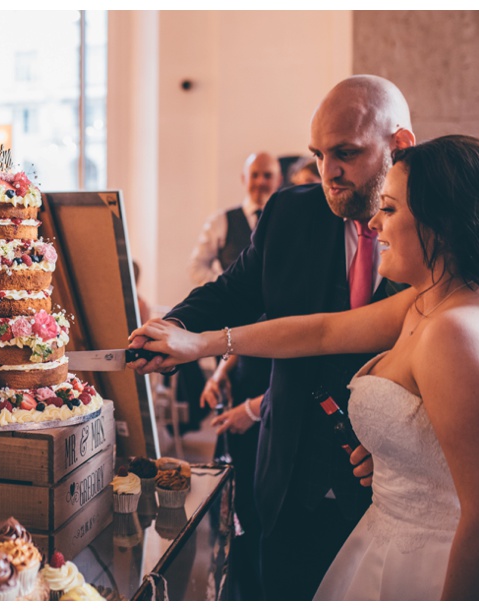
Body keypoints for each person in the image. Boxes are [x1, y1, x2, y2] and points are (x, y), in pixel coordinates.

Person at [132, 134, 479, 600]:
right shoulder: (431, 300)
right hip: (392, 541)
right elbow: (323, 331)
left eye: (389, 209)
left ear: (438, 223)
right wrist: (199, 341)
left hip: (436, 566)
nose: (374, 222)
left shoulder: (459, 332)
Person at [126, 76, 413, 600]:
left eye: (346, 153)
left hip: (389, 486)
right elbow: (234, 289)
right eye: (319, 155)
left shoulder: (434, 231)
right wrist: (176, 328)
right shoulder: (291, 213)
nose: (329, 173)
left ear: (399, 146)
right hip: (290, 468)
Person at [190, 152, 282, 285]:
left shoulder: (285, 222)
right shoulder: (220, 221)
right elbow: (196, 266)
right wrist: (222, 286)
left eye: (267, 175)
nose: (260, 181)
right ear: (243, 179)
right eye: (254, 175)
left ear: (279, 180)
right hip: (233, 304)